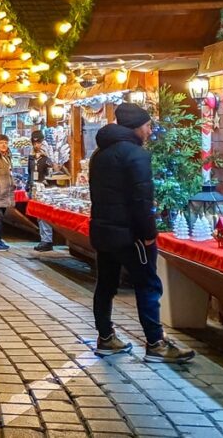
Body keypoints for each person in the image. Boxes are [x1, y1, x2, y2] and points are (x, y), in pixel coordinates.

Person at [90, 103, 195, 363]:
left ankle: (105, 338)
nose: (149, 131)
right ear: (136, 127)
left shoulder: (99, 154)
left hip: (103, 231)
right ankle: (156, 343)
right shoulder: (136, 155)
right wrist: (149, 233)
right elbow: (142, 199)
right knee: (148, 285)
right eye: (148, 126)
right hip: (131, 235)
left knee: (105, 285)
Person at [28, 130, 55, 252]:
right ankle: (43, 238)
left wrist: (45, 181)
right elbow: (30, 173)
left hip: (44, 189)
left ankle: (47, 240)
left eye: (38, 142)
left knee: (44, 215)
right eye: (34, 143)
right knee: (39, 215)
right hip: (34, 188)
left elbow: (51, 174)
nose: (36, 145)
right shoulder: (31, 157)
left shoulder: (47, 158)